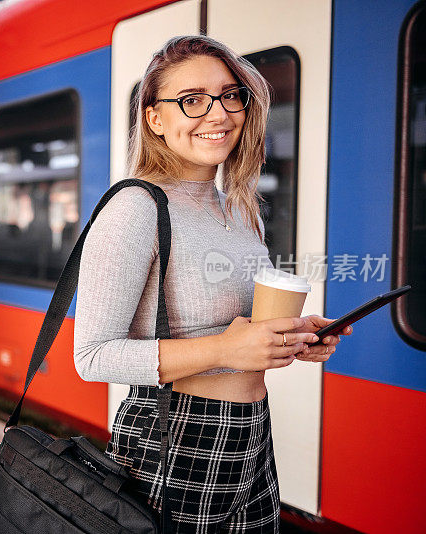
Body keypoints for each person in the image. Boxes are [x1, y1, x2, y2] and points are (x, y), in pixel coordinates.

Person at [73, 35, 353, 533]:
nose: (219, 114)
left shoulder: (240, 210)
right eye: (192, 100)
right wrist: (225, 347)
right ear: (154, 118)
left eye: (229, 95)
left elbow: (238, 332)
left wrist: (294, 334)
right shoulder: (135, 208)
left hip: (251, 433)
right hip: (174, 435)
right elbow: (92, 357)